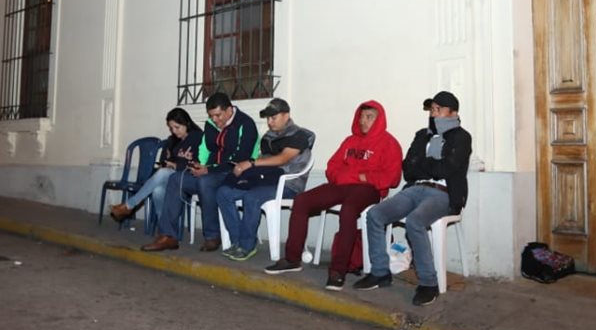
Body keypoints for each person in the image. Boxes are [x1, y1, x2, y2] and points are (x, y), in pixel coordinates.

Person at [264, 100, 403, 290]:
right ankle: (292, 259)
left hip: (369, 190)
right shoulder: (350, 141)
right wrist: (353, 176)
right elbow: (332, 168)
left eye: (369, 117)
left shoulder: (389, 143)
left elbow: (391, 178)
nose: (363, 121)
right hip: (341, 185)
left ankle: (338, 270)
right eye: (361, 116)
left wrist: (357, 177)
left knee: (348, 211)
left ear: (379, 120)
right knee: (302, 201)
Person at [354, 90, 471, 307]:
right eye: (431, 110)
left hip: (442, 193)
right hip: (414, 188)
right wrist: (428, 166)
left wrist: (424, 164)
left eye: (438, 109)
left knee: (416, 221)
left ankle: (428, 283)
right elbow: (408, 169)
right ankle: (380, 273)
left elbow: (447, 169)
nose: (433, 114)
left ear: (452, 112)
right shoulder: (422, 135)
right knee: (375, 214)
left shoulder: (461, 137)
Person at [142, 92, 258, 252]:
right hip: (211, 171)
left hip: (234, 174)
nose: (215, 120)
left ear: (229, 110)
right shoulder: (210, 124)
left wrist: (208, 170)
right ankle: (168, 236)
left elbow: (239, 159)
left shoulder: (245, 124)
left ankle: (212, 236)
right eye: (211, 116)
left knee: (205, 181)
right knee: (176, 178)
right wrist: (199, 165)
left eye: (218, 115)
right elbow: (205, 148)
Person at [216, 98, 315, 261]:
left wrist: (251, 163)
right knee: (223, 192)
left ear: (286, 115)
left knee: (252, 196)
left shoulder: (299, 135)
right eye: (267, 118)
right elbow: (264, 160)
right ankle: (238, 242)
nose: (269, 122)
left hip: (288, 184)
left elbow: (283, 159)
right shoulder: (269, 136)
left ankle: (246, 246)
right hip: (264, 180)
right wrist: (246, 169)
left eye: (273, 118)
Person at [109, 107, 202, 228]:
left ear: (186, 123)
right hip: (171, 177)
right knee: (158, 189)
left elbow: (199, 164)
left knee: (163, 174)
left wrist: (176, 165)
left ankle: (129, 206)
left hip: (188, 177)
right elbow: (163, 161)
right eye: (171, 128)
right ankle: (164, 227)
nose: (174, 131)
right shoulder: (172, 140)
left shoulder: (198, 137)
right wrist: (166, 164)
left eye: (177, 127)